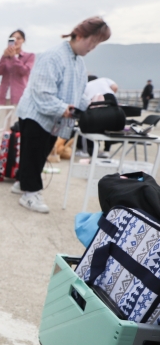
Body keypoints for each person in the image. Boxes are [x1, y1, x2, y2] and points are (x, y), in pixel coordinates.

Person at [13, 17, 111, 213]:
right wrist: (65, 108)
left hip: (53, 116)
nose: (93, 46)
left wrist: (91, 106)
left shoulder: (78, 62)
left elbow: (78, 93)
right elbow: (42, 93)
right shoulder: (54, 56)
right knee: (34, 152)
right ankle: (30, 193)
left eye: (97, 44)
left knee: (39, 152)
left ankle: (21, 184)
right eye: (93, 41)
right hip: (36, 113)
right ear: (81, 35)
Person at [0, 30, 35, 130]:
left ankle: (13, 145)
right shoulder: (6, 57)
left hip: (19, 96)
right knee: (2, 126)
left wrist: (13, 58)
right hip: (4, 96)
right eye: (13, 38)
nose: (16, 40)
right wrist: (4, 57)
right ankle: (1, 145)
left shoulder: (29, 56)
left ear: (23, 40)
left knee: (15, 126)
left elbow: (24, 71)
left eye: (19, 38)